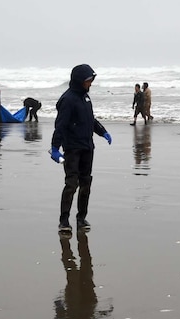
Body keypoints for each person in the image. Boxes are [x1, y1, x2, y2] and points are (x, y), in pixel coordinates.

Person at [50, 64, 112, 234]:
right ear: (79, 81)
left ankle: (81, 218)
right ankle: (64, 221)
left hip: (87, 147)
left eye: (91, 80)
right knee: (71, 184)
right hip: (72, 149)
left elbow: (90, 119)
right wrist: (55, 148)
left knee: (86, 183)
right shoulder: (67, 99)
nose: (90, 84)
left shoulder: (86, 97)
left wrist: (103, 131)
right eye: (88, 81)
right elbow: (60, 125)